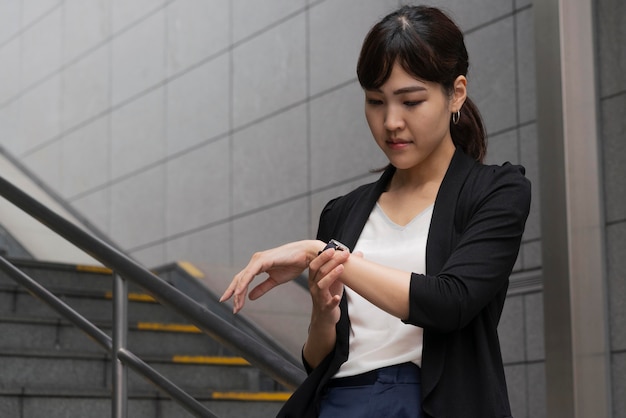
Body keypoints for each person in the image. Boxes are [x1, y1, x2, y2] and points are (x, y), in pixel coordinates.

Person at [220, 5, 531, 418]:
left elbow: (451, 302)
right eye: (375, 101)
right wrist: (323, 314)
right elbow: (319, 360)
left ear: (456, 93)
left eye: (411, 101)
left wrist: (325, 256)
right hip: (340, 403)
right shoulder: (343, 213)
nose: (391, 122)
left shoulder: (496, 192)